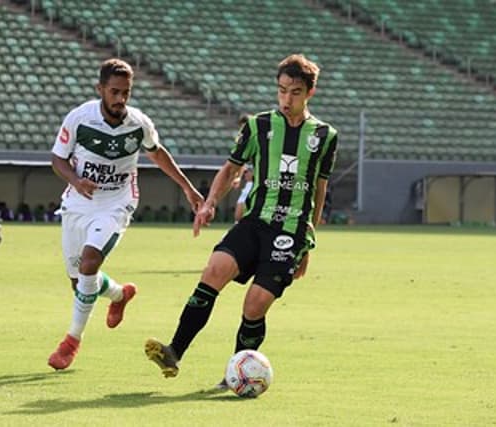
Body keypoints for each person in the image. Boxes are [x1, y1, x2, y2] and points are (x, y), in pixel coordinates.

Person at [144, 54, 339, 387]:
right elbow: (230, 168)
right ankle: (174, 351)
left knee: (255, 304)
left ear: (310, 93)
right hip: (254, 222)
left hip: (289, 232)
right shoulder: (258, 126)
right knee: (213, 271)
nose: (286, 99)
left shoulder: (324, 136)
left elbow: (319, 189)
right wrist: (209, 205)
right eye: (281, 91)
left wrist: (309, 240)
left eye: (294, 92)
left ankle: (234, 373)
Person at [47, 58, 203, 370]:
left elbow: (158, 153)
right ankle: (119, 295)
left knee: (90, 262)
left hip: (117, 202)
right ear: (100, 89)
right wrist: (76, 181)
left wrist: (187, 187)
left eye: (126, 93)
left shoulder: (138, 124)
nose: (120, 99)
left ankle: (70, 342)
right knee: (80, 283)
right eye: (114, 92)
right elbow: (57, 160)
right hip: (78, 202)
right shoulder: (80, 118)